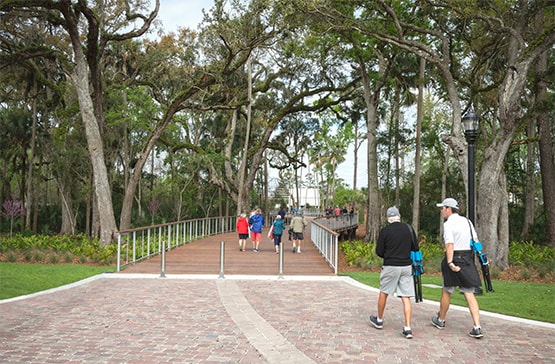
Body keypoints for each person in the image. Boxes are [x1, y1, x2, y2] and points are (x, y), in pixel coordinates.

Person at [432, 198, 484, 339]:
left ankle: (441, 320)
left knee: (447, 290)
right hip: (467, 258)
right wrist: (482, 257)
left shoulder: (448, 224)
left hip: (454, 257)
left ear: (448, 208)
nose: (442, 211)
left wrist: (450, 262)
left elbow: (449, 244)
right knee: (469, 293)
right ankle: (477, 326)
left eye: (443, 208)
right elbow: (476, 241)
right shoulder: (467, 222)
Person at [368, 206, 418, 339]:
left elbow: (379, 251)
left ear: (388, 218)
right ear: (399, 216)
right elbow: (415, 247)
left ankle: (379, 319)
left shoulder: (385, 231)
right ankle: (407, 328)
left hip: (390, 265)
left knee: (384, 292)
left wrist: (389, 255)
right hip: (406, 266)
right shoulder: (408, 229)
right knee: (406, 297)